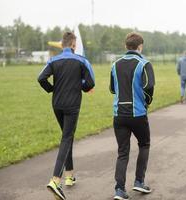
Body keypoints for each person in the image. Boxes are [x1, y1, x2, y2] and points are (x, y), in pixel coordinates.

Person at [38, 32, 95, 200]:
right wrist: (80, 86)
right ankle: (55, 180)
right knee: (67, 138)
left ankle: (69, 175)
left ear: (62, 45)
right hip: (72, 106)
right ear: (73, 45)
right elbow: (90, 83)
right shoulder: (81, 60)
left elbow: (41, 78)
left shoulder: (53, 60)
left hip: (57, 105)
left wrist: (51, 89)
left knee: (67, 136)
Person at [109, 32, 155, 200]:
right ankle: (139, 181)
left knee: (122, 152)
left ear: (126, 46)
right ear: (140, 47)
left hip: (119, 115)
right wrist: (147, 102)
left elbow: (113, 89)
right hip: (138, 114)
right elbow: (149, 88)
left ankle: (119, 189)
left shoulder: (115, 65)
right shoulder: (144, 64)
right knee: (144, 144)